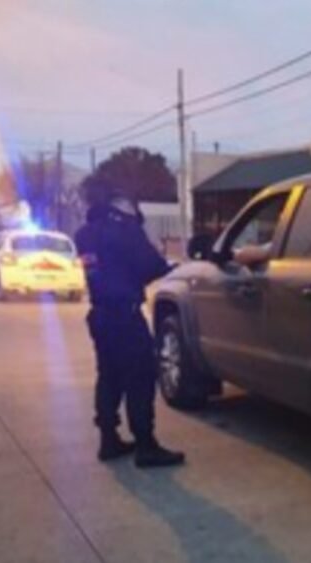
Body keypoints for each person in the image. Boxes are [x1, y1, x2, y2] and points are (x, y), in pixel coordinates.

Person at [75, 186, 185, 467]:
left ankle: (108, 439)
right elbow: (151, 266)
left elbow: (110, 269)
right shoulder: (126, 231)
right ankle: (146, 446)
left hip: (100, 316)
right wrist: (168, 266)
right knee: (140, 379)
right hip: (126, 316)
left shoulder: (84, 234)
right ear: (123, 204)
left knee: (108, 376)